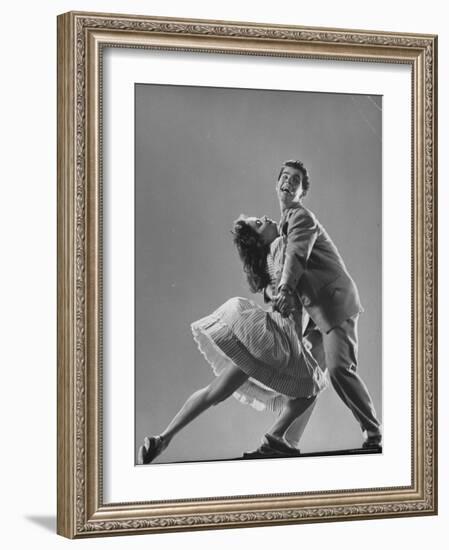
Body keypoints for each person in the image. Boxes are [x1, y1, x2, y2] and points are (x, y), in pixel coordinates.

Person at [137, 215, 328, 465]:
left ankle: (163, 438)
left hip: (266, 338)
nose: (265, 219)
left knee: (215, 391)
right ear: (260, 240)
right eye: (259, 223)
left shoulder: (270, 262)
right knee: (312, 386)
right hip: (280, 339)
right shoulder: (281, 246)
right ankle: (277, 437)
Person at [271, 159, 382, 449]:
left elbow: (297, 256)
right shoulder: (285, 226)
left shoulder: (300, 217)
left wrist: (283, 288)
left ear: (301, 193)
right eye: (284, 177)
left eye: (296, 180)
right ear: (276, 183)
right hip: (319, 316)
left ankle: (374, 433)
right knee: (304, 378)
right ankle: (286, 441)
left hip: (335, 307)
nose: (288, 182)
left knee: (339, 371)